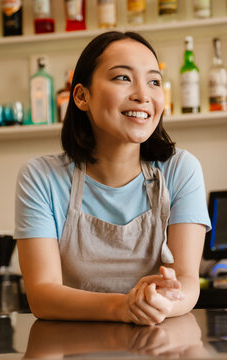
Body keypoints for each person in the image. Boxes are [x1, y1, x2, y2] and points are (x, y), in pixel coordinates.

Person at [15, 31, 211, 325]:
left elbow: (186, 281)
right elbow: (42, 295)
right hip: (74, 346)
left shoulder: (180, 169)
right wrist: (122, 307)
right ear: (81, 96)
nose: (143, 95)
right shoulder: (41, 177)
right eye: (123, 78)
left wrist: (158, 303)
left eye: (154, 81)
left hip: (160, 345)